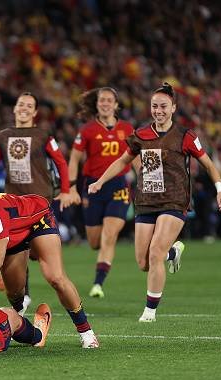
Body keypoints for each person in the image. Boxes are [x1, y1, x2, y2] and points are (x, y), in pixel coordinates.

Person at [88, 82, 221, 322]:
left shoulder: (185, 136)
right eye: (155, 106)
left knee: (155, 252)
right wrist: (100, 181)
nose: (158, 110)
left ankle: (149, 311)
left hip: (175, 201)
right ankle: (172, 252)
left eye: (163, 106)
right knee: (143, 262)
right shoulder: (141, 135)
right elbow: (122, 161)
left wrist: (219, 188)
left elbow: (207, 163)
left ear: (173, 108)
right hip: (145, 201)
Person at [0, 181, 99, 348]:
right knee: (14, 292)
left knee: (55, 277)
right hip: (12, 235)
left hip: (38, 220)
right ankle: (19, 321)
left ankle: (86, 333)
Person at [0, 92, 73, 313]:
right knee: (13, 251)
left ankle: (15, 282)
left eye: (28, 105)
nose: (23, 108)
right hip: (13, 206)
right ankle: (24, 297)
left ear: (34, 112)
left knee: (36, 255)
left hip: (40, 204)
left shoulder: (43, 135)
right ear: (14, 109)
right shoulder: (2, 137)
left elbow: (60, 162)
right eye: (20, 104)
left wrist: (67, 190)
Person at [68, 87, 136, 298]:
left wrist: (145, 182)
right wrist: (71, 188)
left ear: (116, 105)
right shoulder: (87, 130)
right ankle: (100, 268)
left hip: (119, 186)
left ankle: (98, 284)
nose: (105, 103)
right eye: (101, 100)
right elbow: (74, 159)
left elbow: (137, 157)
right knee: (95, 241)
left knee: (109, 235)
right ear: (97, 104)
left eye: (109, 100)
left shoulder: (127, 129)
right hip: (93, 186)